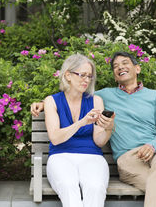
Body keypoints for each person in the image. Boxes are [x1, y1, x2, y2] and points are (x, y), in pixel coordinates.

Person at [31, 51, 156, 207]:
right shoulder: (106, 96)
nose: (120, 67)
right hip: (129, 157)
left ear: (137, 69)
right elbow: (69, 97)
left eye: (125, 63)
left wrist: (151, 145)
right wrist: (45, 104)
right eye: (115, 66)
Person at [41, 53, 114, 207]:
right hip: (61, 156)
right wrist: (82, 122)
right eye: (82, 75)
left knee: (95, 188)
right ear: (68, 75)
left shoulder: (96, 101)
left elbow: (98, 141)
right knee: (68, 186)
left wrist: (108, 129)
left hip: (92, 156)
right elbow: (55, 138)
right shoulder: (51, 101)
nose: (86, 80)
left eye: (89, 76)